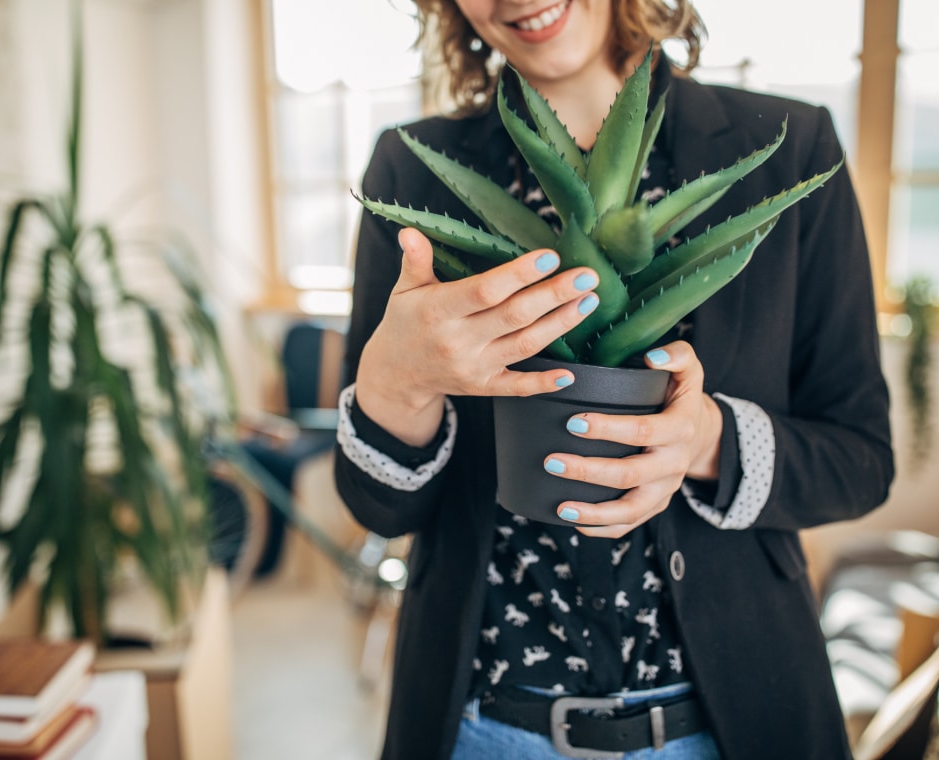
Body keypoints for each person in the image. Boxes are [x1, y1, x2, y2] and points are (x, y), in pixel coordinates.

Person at [333, 0, 895, 758]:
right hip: (486, 723)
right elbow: (379, 504)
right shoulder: (413, 170)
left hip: (730, 721)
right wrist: (396, 386)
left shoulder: (787, 149)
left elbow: (861, 460)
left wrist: (706, 441)